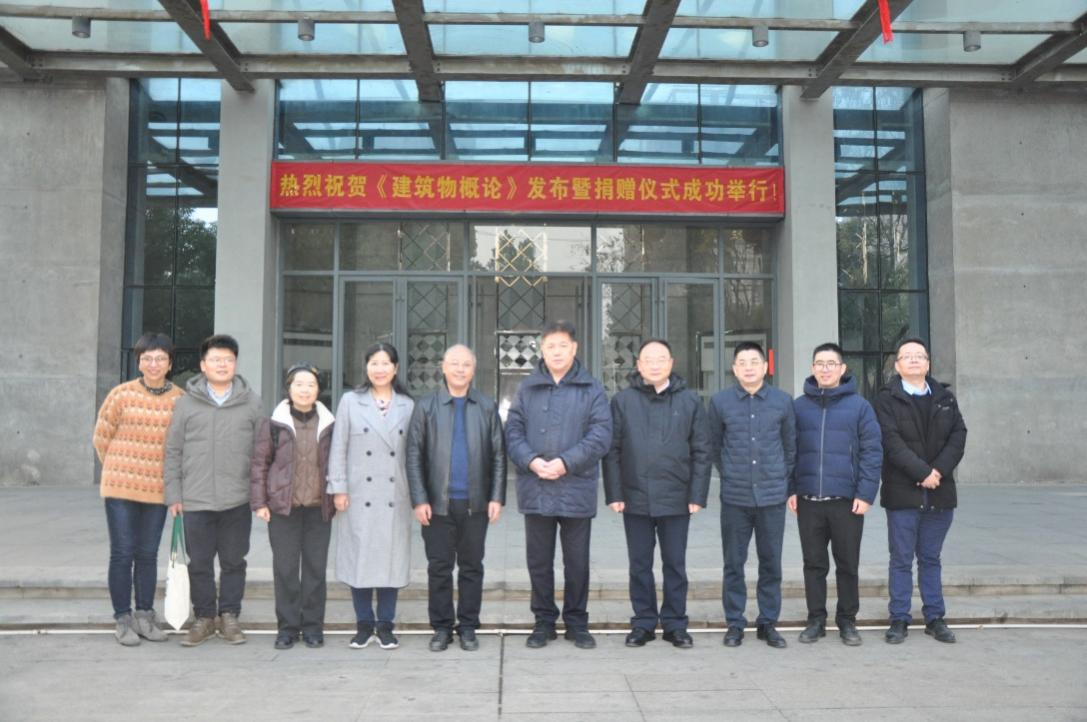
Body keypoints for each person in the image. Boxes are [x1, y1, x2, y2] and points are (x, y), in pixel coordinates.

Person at [506, 320, 612, 650]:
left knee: (576, 561)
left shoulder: (591, 388)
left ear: (574, 348)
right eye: (550, 346)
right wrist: (532, 460)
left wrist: (566, 462)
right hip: (535, 486)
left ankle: (577, 622)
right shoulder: (527, 388)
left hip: (576, 486)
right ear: (542, 350)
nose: (556, 352)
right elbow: (512, 432)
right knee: (539, 561)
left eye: (562, 346)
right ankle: (544, 622)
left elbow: (601, 435)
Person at [603, 339, 710, 650]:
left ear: (671, 363)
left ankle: (676, 624)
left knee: (675, 563)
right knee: (639, 564)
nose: (654, 364)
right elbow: (612, 450)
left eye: (660, 358)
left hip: (677, 497)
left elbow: (702, 450)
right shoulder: (623, 401)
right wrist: (614, 493)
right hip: (634, 496)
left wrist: (697, 494)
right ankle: (644, 623)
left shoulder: (690, 401)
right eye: (648, 359)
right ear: (638, 365)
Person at [164, 334, 263, 647]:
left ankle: (230, 615)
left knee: (234, 561)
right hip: (196, 498)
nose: (222, 365)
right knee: (200, 563)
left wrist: (259, 495)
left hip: (237, 498)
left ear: (235, 364)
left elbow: (262, 452)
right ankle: (205, 617)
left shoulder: (252, 403)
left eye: (228, 360)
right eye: (216, 359)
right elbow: (173, 450)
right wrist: (173, 494)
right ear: (203, 365)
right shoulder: (186, 403)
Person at [406, 344, 506, 652]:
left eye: (466, 364)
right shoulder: (426, 406)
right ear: (443, 367)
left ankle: (468, 626)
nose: (460, 369)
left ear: (473, 370)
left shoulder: (486, 406)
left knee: (472, 566)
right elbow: (413, 454)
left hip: (475, 504)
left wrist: (496, 497)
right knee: (439, 567)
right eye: (455, 363)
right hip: (437, 504)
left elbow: (499, 455)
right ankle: (441, 627)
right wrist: (419, 499)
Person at [93, 332, 184, 646]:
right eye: (147, 358)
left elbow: (182, 446)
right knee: (122, 552)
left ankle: (145, 615)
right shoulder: (121, 395)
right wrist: (121, 467)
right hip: (121, 487)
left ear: (170, 363)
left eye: (160, 358)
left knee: (147, 554)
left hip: (157, 489)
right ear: (139, 362)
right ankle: (123, 618)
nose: (153, 364)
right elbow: (101, 437)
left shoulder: (180, 400)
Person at [789, 342, 882, 646]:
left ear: (842, 369)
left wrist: (866, 493)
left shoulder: (860, 407)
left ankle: (847, 620)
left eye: (831, 364)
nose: (825, 369)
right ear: (812, 368)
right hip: (808, 501)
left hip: (847, 501)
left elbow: (872, 452)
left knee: (847, 564)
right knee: (813, 564)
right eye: (820, 363)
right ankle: (816, 619)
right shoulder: (798, 407)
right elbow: (789, 451)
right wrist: (791, 489)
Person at [875, 338, 967, 645]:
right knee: (901, 558)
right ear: (897, 365)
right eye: (907, 356)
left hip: (940, 492)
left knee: (931, 557)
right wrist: (923, 473)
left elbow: (958, 436)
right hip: (902, 493)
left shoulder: (945, 398)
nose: (914, 360)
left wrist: (937, 471)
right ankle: (899, 618)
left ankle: (934, 617)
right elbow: (891, 442)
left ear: (927, 364)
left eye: (919, 356)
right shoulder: (886, 399)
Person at [708, 341, 796, 649]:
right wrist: (731, 473)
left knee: (771, 563)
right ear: (734, 369)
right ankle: (735, 623)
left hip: (772, 498)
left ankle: (768, 622)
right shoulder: (720, 402)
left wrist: (781, 480)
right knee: (734, 563)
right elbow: (714, 447)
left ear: (765, 366)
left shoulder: (783, 402)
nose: (748, 367)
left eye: (754, 362)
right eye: (742, 362)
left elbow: (790, 448)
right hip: (735, 497)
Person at [328, 342, 414, 651]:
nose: (379, 369)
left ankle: (386, 625)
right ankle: (364, 624)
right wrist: (338, 487)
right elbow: (338, 446)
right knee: (360, 559)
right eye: (374, 363)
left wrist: (418, 495)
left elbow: (414, 455)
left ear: (396, 368)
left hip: (395, 495)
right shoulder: (350, 401)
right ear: (366, 367)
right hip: (358, 494)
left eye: (385, 363)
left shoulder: (407, 405)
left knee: (391, 561)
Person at [250, 363, 336, 650]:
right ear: (289, 388)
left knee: (315, 570)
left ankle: (313, 627)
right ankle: (287, 628)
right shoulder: (273, 423)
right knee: (285, 569)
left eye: (311, 384)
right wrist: (260, 502)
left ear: (319, 390)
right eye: (299, 384)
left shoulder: (329, 424)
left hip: (318, 509)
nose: (304, 390)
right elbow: (260, 463)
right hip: (282, 508)